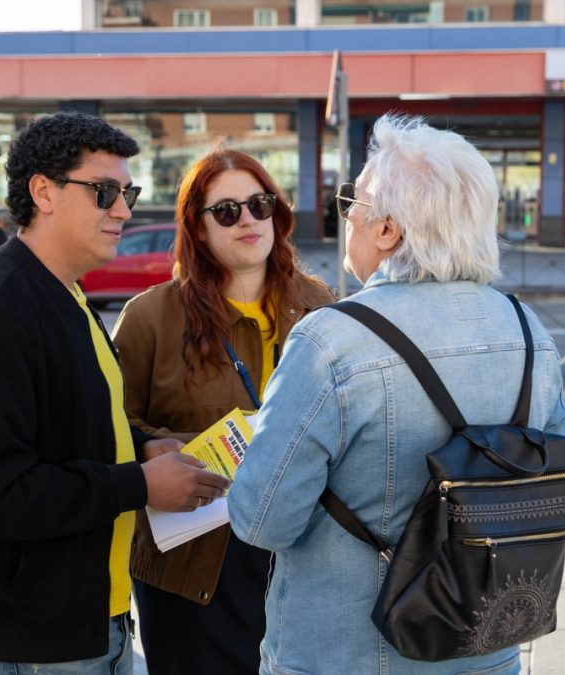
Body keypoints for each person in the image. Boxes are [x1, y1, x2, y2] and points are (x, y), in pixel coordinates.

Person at [228, 115, 565, 675]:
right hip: (487, 643)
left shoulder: (331, 341)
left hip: (346, 653)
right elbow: (548, 481)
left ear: (387, 230)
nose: (347, 219)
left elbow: (263, 521)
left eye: (352, 205)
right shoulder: (528, 330)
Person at [0, 111, 230, 675]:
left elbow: (75, 423)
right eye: (104, 192)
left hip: (90, 619)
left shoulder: (64, 294)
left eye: (127, 191)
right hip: (29, 640)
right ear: (43, 191)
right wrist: (138, 483)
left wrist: (140, 448)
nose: (123, 209)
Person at [111, 149, 335, 674]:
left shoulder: (318, 306)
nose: (250, 220)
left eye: (260, 204)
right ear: (198, 226)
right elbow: (107, 421)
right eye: (228, 211)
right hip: (193, 562)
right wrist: (150, 445)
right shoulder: (151, 317)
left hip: (300, 554)